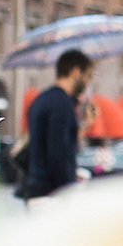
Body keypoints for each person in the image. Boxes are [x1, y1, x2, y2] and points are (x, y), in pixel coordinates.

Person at [18, 50, 93, 200]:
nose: (88, 82)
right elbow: (59, 152)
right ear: (76, 72)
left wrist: (83, 124)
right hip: (52, 193)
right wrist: (67, 190)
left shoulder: (41, 99)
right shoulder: (62, 104)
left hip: (36, 186)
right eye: (88, 76)